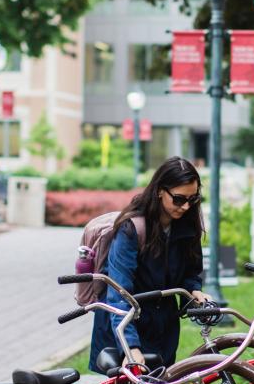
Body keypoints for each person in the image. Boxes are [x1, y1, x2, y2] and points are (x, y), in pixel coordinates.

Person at [89, 156, 213, 370]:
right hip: (125, 327)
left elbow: (191, 272)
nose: (185, 206)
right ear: (159, 191)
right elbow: (119, 294)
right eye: (178, 199)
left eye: (192, 199)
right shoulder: (131, 229)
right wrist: (130, 346)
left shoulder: (187, 226)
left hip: (163, 327)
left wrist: (194, 290)